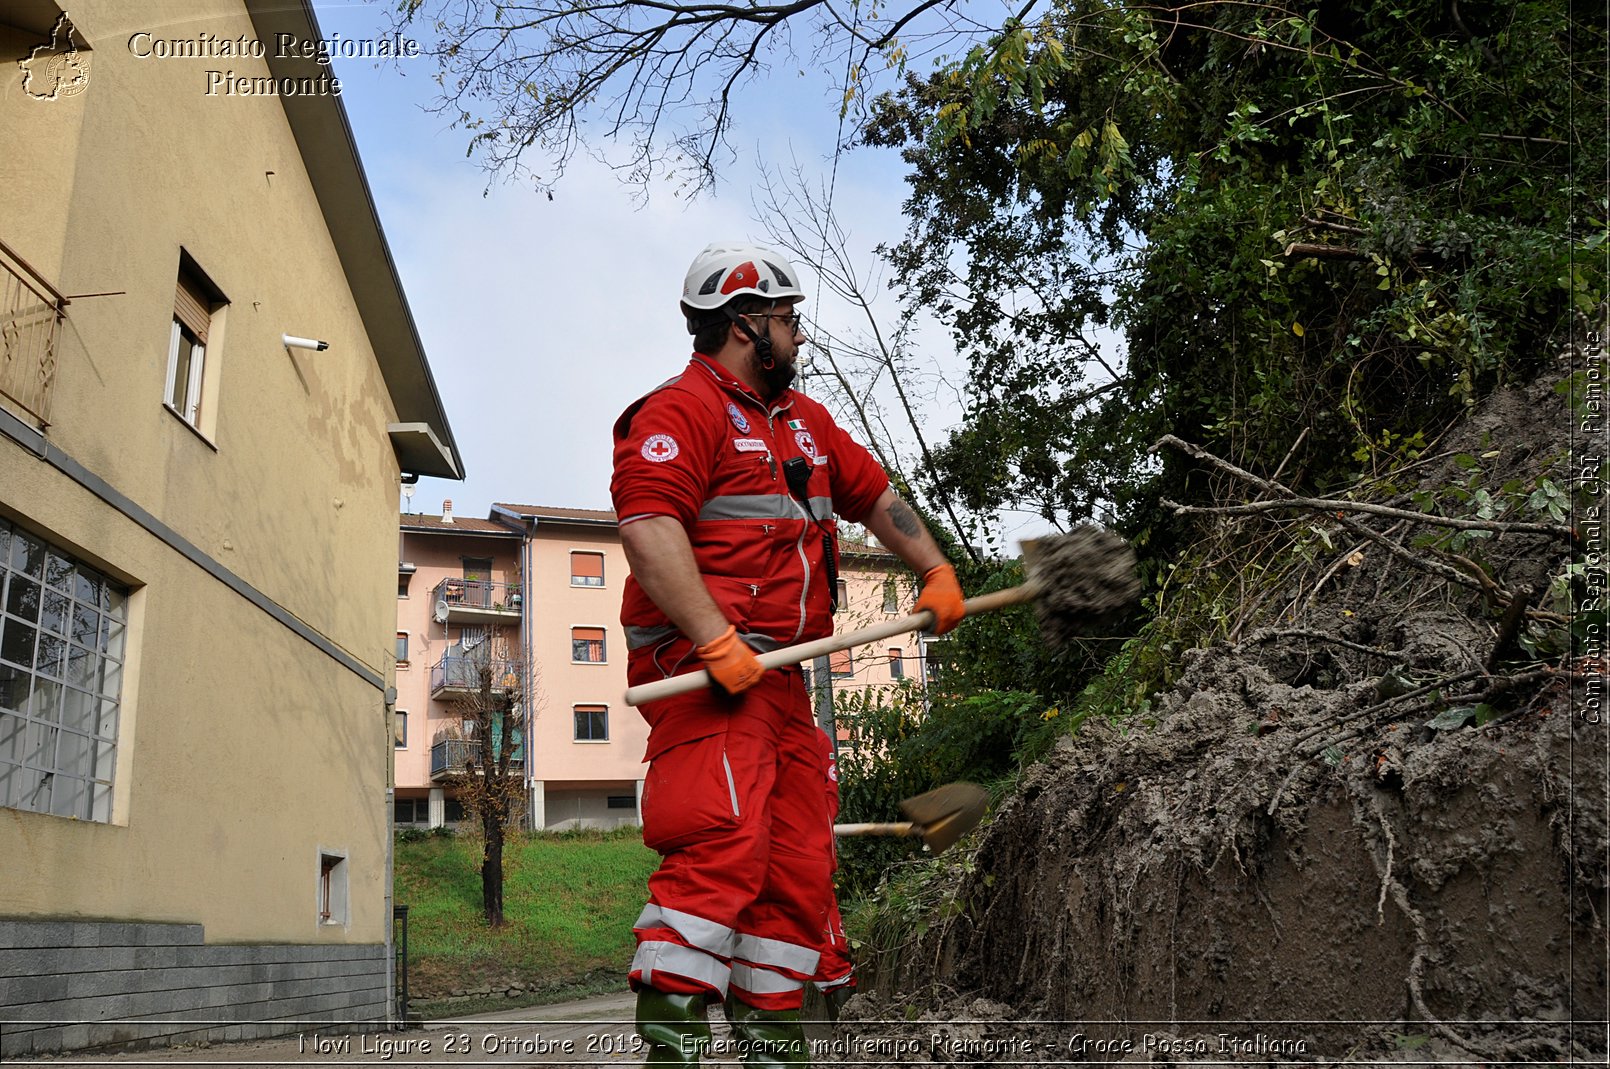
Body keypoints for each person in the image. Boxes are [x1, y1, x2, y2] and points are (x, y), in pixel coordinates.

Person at [610, 242, 964, 1066]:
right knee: (718, 854)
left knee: (796, 870)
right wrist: (715, 638)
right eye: (787, 318)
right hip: (705, 679)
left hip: (780, 684)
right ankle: (674, 1054)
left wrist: (936, 568)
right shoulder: (678, 411)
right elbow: (650, 531)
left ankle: (777, 1054)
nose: (799, 335)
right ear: (745, 325)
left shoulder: (805, 422)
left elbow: (875, 496)